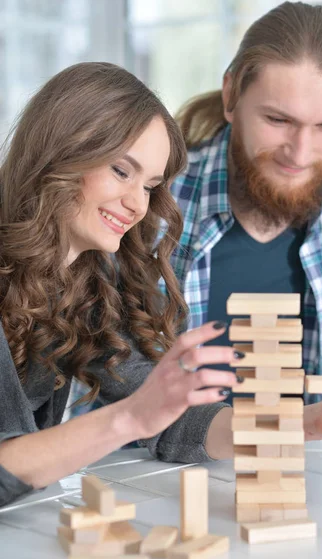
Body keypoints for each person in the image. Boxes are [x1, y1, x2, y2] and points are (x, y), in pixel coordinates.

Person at [0, 62, 245, 508]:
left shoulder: (84, 284)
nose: (136, 205)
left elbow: (169, 418)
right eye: (120, 170)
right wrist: (130, 417)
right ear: (60, 154)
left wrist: (300, 426)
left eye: (150, 185)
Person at [168, 1, 322, 441]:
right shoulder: (153, 205)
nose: (300, 153)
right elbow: (109, 384)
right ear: (232, 94)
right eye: (278, 120)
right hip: (161, 488)